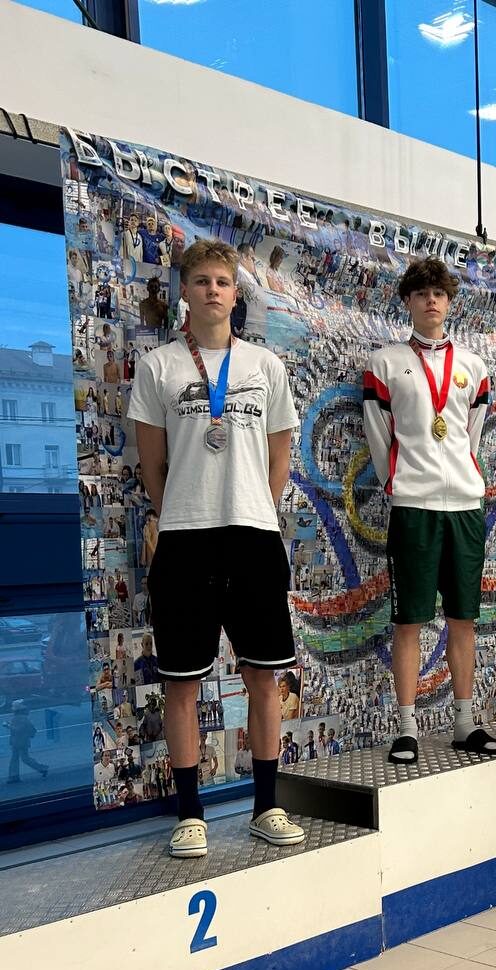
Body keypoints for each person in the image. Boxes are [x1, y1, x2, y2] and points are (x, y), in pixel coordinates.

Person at [128, 238, 304, 857]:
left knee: (264, 678)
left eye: (222, 282)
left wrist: (257, 508)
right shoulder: (158, 367)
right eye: (201, 281)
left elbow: (280, 456)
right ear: (185, 291)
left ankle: (266, 805)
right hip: (185, 539)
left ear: (235, 294)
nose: (212, 291)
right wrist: (181, 509)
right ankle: (190, 813)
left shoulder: (265, 366)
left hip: (253, 537)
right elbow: (152, 464)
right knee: (181, 684)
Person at [363, 256, 496, 764]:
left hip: (464, 505)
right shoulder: (385, 363)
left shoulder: (473, 366)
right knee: (409, 621)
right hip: (414, 506)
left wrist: (464, 480)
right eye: (421, 293)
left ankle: (465, 723)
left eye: (439, 294)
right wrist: (399, 484)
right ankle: (407, 728)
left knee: (463, 619)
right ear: (407, 301)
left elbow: (472, 435)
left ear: (449, 302)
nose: (431, 301)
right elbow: (379, 438)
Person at [6, 700, 48, 783]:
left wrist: (8, 726)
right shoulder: (24, 718)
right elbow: (32, 730)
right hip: (23, 741)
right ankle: (41, 768)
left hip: (18, 742)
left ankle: (14, 776)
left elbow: (18, 730)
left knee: (16, 759)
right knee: (24, 758)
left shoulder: (18, 718)